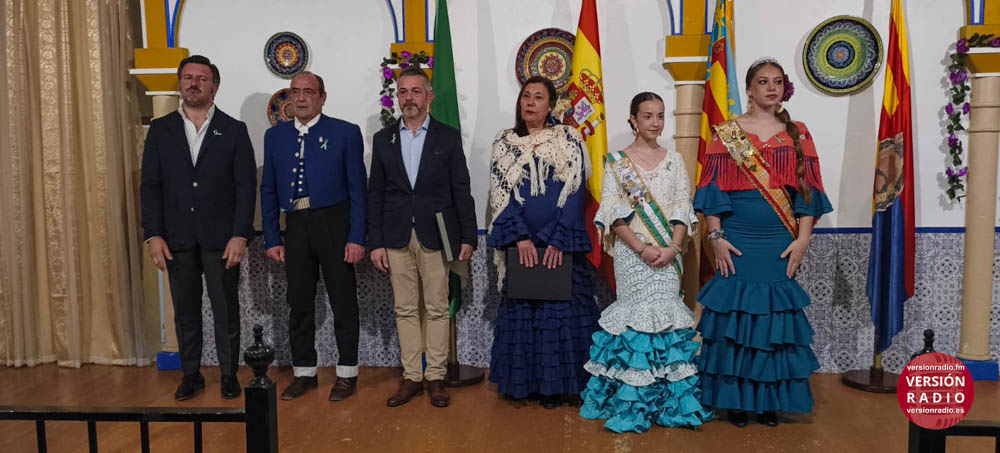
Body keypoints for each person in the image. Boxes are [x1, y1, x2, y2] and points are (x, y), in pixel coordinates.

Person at [694, 58, 832, 427]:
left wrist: (803, 240)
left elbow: (808, 192)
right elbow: (712, 190)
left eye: (777, 82)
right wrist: (716, 236)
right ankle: (736, 402)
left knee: (772, 323)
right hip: (736, 239)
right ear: (750, 90)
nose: (771, 88)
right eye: (762, 82)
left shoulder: (799, 133)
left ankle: (767, 402)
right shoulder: (728, 133)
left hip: (779, 242)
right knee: (735, 320)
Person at [580, 92, 714, 432]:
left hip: (669, 253)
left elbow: (683, 206)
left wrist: (674, 247)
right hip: (632, 254)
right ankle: (631, 403)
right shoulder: (617, 162)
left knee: (665, 319)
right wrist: (641, 248)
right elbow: (612, 213)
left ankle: (669, 403)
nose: (655, 122)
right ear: (633, 120)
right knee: (636, 323)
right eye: (648, 116)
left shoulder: (674, 160)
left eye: (660, 116)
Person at [141, 55, 256, 401]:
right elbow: (150, 186)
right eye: (188, 77)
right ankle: (191, 375)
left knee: (226, 311)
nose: (194, 83)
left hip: (221, 239)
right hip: (176, 238)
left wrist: (240, 234)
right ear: (180, 84)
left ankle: (228, 374)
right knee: (186, 313)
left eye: (202, 79)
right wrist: (154, 234)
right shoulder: (161, 130)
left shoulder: (234, 130)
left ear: (214, 88)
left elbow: (245, 188)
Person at [486, 76, 599, 410]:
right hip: (521, 244)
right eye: (526, 96)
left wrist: (556, 239)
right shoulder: (503, 142)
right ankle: (525, 387)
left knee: (560, 316)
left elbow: (575, 189)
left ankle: (559, 389)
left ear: (551, 105)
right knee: (523, 315)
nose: (530, 102)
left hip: (559, 244)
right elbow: (500, 194)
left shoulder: (568, 137)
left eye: (538, 97)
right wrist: (520, 237)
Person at [368, 67, 477, 408]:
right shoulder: (383, 139)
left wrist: (468, 236)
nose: (409, 98)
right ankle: (412, 376)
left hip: (436, 234)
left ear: (429, 97)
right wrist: (375, 242)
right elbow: (375, 194)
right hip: (395, 235)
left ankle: (435, 378)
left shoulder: (447, 137)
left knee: (436, 308)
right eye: (403, 91)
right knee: (404, 309)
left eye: (416, 91)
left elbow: (461, 189)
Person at [260, 71, 367, 401]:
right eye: (295, 92)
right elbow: (268, 190)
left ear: (322, 97)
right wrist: (272, 238)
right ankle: (304, 372)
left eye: (308, 91)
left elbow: (358, 190)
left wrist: (357, 237)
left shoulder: (345, 132)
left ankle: (346, 374)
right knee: (299, 302)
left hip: (334, 223)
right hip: (296, 225)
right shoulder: (274, 136)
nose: (301, 97)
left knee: (343, 301)